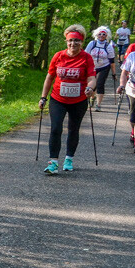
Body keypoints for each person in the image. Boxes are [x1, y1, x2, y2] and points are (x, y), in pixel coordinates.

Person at [38, 24, 97, 174]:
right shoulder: (58, 56)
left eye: (77, 41)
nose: (73, 44)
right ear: (66, 41)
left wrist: (90, 88)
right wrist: (43, 97)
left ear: (81, 42)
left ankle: (69, 158)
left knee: (73, 129)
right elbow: (50, 77)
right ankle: (53, 162)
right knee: (56, 128)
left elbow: (92, 78)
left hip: (78, 101)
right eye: (70, 40)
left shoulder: (86, 58)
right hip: (58, 99)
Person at [85, 26, 115, 111]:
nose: (101, 36)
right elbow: (86, 55)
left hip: (104, 67)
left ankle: (98, 105)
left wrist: (113, 73)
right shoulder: (92, 43)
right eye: (100, 34)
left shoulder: (108, 46)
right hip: (92, 66)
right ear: (97, 35)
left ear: (106, 36)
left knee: (100, 84)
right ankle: (92, 97)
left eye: (104, 34)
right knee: (91, 84)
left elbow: (112, 61)